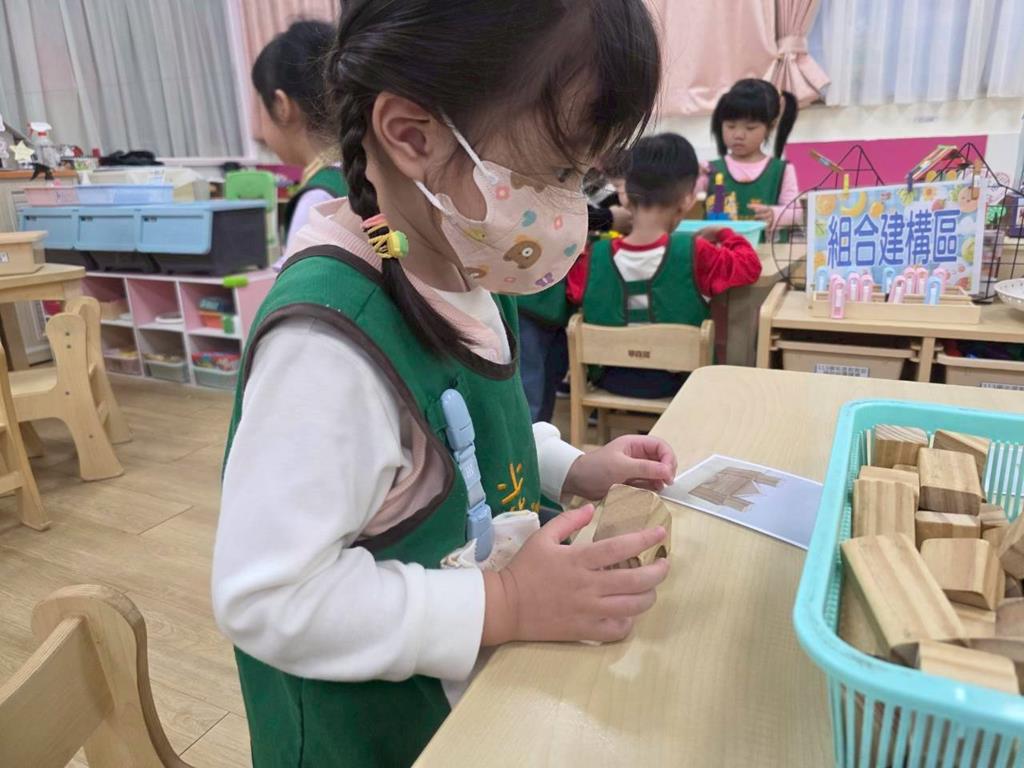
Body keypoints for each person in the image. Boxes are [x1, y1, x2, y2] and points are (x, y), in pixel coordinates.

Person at [213, 2, 675, 766]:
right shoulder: (326, 350)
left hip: (475, 708)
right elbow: (267, 598)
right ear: (413, 136)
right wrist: (508, 602)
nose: (574, 207)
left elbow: (471, 434)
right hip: (371, 742)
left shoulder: (463, 261)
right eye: (559, 172)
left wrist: (572, 468)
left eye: (584, 176)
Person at [573, 133, 761, 398]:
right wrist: (724, 234)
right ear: (687, 200)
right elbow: (750, 266)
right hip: (680, 383)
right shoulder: (697, 253)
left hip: (611, 378)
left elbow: (574, 293)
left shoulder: (594, 257)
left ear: (625, 197)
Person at [516, 165, 631, 423]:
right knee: (530, 388)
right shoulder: (541, 169)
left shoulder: (587, 174)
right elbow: (549, 211)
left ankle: (540, 436)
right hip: (530, 296)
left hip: (557, 299)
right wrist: (607, 218)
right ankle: (530, 440)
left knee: (548, 381)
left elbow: (598, 192)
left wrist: (625, 198)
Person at [250, 20, 349, 262]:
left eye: (259, 106)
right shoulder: (375, 172)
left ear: (281, 106)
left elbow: (299, 285)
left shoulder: (317, 201)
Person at [704, 78, 800, 235]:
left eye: (750, 128)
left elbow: (796, 213)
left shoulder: (782, 170)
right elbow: (683, 198)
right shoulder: (709, 169)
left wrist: (774, 214)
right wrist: (690, 176)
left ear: (771, 126)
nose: (738, 135)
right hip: (721, 249)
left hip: (763, 249)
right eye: (730, 126)